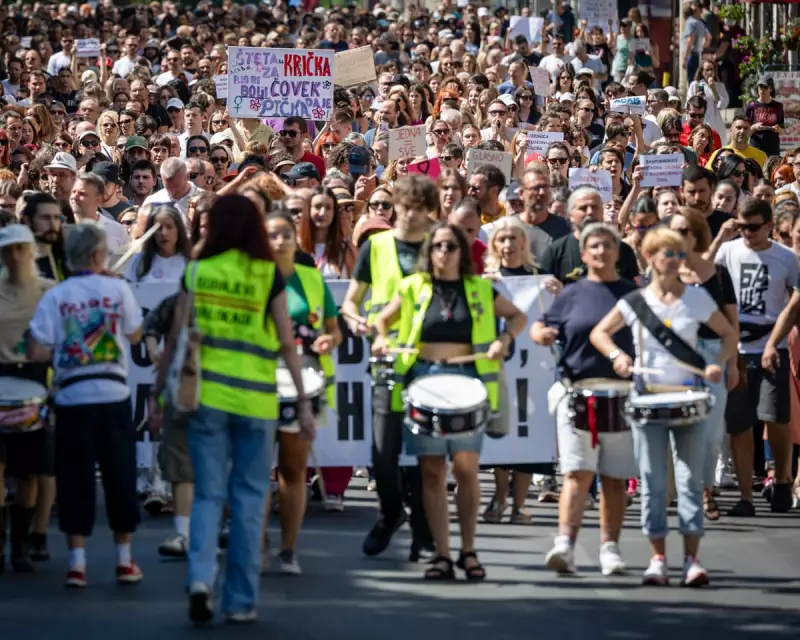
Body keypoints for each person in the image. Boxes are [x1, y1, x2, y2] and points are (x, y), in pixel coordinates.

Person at [149, 194, 314, 625]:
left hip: (207, 399)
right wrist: (302, 400)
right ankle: (240, 600)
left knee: (207, 493)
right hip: (257, 400)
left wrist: (157, 394)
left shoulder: (198, 272)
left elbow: (175, 339)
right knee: (249, 499)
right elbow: (285, 341)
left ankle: (201, 578)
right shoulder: (267, 275)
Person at [372, 222, 526, 580]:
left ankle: (468, 551)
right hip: (423, 382)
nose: (443, 252)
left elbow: (518, 317)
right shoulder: (413, 287)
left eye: (451, 246)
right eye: (437, 246)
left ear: (462, 252)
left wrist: (503, 342)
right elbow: (381, 320)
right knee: (431, 470)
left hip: (468, 383)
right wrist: (381, 338)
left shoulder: (479, 289)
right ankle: (442, 554)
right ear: (429, 252)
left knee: (467, 470)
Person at [591, 227, 737, 587]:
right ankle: (658, 558)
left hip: (688, 398)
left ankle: (692, 560)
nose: (673, 260)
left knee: (689, 482)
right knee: (653, 483)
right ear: (650, 258)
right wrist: (617, 356)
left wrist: (718, 361)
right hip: (647, 399)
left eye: (678, 253)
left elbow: (730, 332)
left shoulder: (698, 299)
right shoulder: (636, 301)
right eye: (666, 253)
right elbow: (600, 332)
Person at [27, 223, 145, 588]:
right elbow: (135, 333)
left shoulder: (57, 296)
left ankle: (77, 562)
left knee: (75, 478)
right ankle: (124, 559)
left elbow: (37, 350)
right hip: (112, 396)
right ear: (98, 255)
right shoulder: (116, 289)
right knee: (120, 475)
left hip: (72, 398)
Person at [531, 222, 637, 575]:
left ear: (617, 251)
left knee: (613, 476)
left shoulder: (631, 294)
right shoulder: (572, 293)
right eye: (594, 246)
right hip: (577, 392)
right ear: (584, 252)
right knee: (577, 473)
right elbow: (541, 325)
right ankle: (565, 544)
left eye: (607, 245)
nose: (601, 251)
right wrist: (542, 334)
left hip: (622, 394)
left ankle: (610, 548)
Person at [341, 174, 435, 562]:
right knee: (384, 451)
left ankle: (423, 530)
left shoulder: (440, 245)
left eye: (418, 209)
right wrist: (354, 319)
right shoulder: (376, 246)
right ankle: (392, 511)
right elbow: (351, 301)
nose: (409, 216)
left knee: (424, 453)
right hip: (386, 357)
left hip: (429, 359)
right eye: (404, 207)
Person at [262, 210, 341, 575]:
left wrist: (329, 339)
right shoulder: (253, 278)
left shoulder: (311, 279)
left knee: (293, 470)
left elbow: (334, 329)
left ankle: (288, 549)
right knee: (257, 470)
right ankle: (257, 543)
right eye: (272, 235)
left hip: (304, 379)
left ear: (297, 240)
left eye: (286, 235)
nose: (279, 241)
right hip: (259, 378)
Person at [719, 197, 800, 515]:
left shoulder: (786, 258)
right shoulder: (729, 250)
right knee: (739, 424)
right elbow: (701, 275)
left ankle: (781, 480)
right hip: (737, 346)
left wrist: (773, 343)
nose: (747, 234)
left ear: (768, 226)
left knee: (775, 418)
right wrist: (722, 237)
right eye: (742, 227)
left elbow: (794, 301)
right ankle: (745, 496)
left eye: (753, 228)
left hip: (771, 344)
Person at [667, 208, 740, 521]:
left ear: (696, 234)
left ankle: (707, 487)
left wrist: (732, 364)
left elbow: (731, 322)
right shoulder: (665, 273)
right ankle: (690, 492)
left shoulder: (718, 274)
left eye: (684, 231)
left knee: (711, 432)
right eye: (673, 231)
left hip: (714, 355)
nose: (678, 237)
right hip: (677, 357)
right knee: (678, 430)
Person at [0, 225, 55, 573]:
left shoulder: (50, 292)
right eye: (8, 249)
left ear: (31, 251)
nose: (15, 255)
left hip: (37, 387)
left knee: (30, 476)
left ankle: (20, 543)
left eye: (21, 248)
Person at [124, 206, 190, 283]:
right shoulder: (139, 261)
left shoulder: (189, 261)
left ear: (178, 230)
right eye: (159, 228)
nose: (164, 233)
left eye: (169, 227)